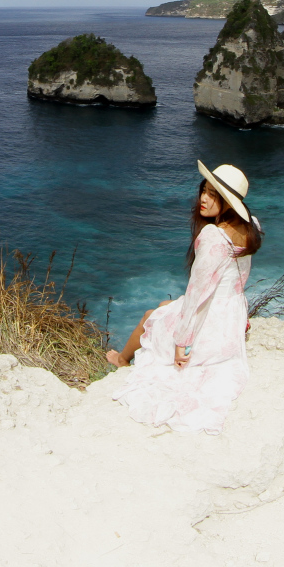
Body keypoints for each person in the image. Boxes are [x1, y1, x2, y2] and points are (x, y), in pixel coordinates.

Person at [107, 161, 262, 434]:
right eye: (204, 190)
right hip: (232, 314)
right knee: (165, 305)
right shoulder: (251, 227)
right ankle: (125, 355)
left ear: (227, 202)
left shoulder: (214, 237)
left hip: (211, 320)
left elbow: (196, 294)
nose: (203, 198)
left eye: (214, 195)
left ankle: (121, 359)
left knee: (150, 316)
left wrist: (183, 342)